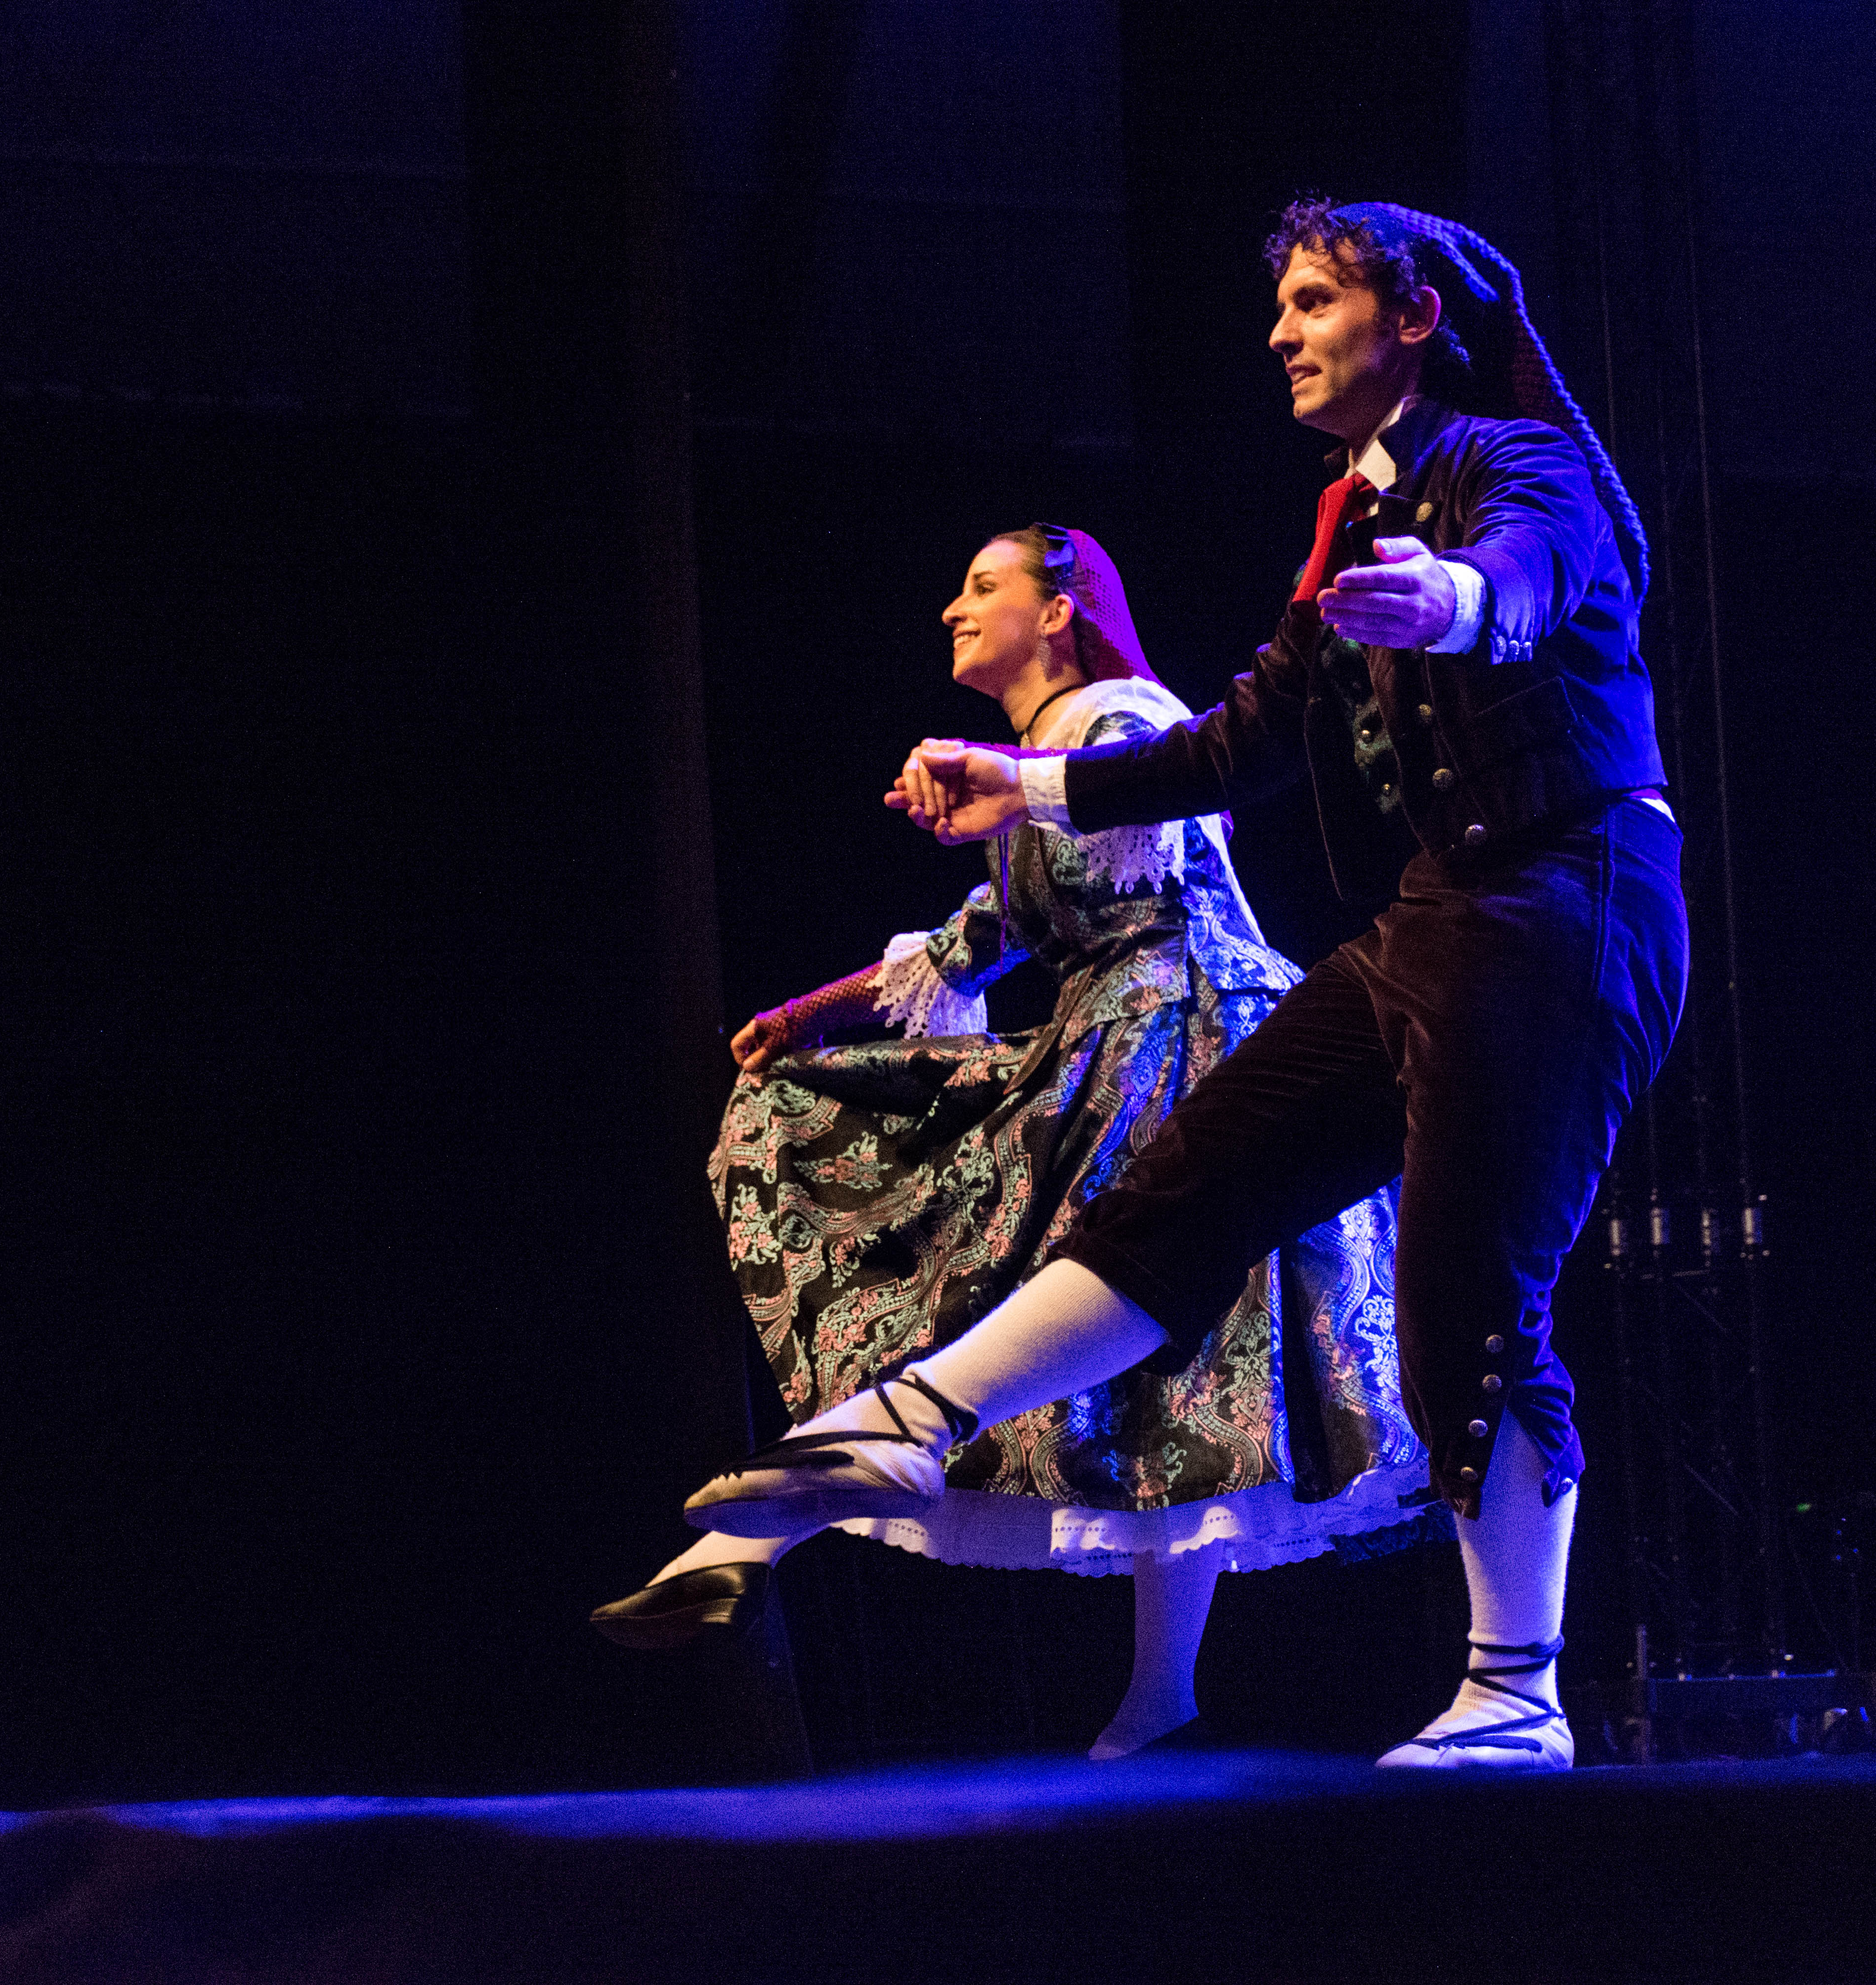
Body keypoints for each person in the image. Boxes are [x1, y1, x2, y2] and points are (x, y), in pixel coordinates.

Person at [682, 200, 1689, 1773]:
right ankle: (909, 1426)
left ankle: (1517, 1691)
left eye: (1310, 302)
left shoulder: (1510, 462)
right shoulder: (1348, 527)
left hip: (1569, 900)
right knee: (1183, 1186)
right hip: (1434, 918)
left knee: (1468, 1301)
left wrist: (1455, 604)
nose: (1280, 334)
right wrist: (1013, 789)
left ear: (1413, 316)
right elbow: (1231, 746)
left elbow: (1535, 573)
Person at [594, 524, 1424, 1760]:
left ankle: (753, 1534)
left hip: (1185, 1033)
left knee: (1058, 1323)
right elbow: (986, 936)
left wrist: (995, 781)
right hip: (1115, 1035)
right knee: (1135, 1366)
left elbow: (1146, 823)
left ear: (1064, 605)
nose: (950, 608)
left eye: (984, 586)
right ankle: (1159, 1699)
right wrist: (802, 1016)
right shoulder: (1038, 757)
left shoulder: (1119, 714)